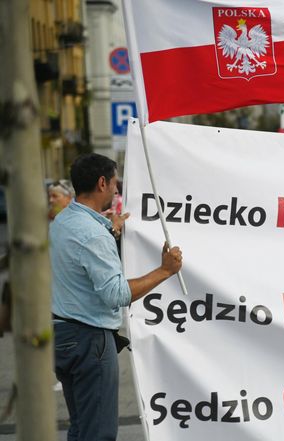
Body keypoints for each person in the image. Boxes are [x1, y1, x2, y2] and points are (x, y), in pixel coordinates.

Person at [50, 153, 183, 441]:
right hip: (89, 341)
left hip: (63, 335)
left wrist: (111, 229)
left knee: (81, 427)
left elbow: (81, 259)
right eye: (114, 183)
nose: (117, 190)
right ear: (101, 183)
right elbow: (117, 294)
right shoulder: (93, 235)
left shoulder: (64, 222)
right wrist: (165, 271)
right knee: (98, 433)